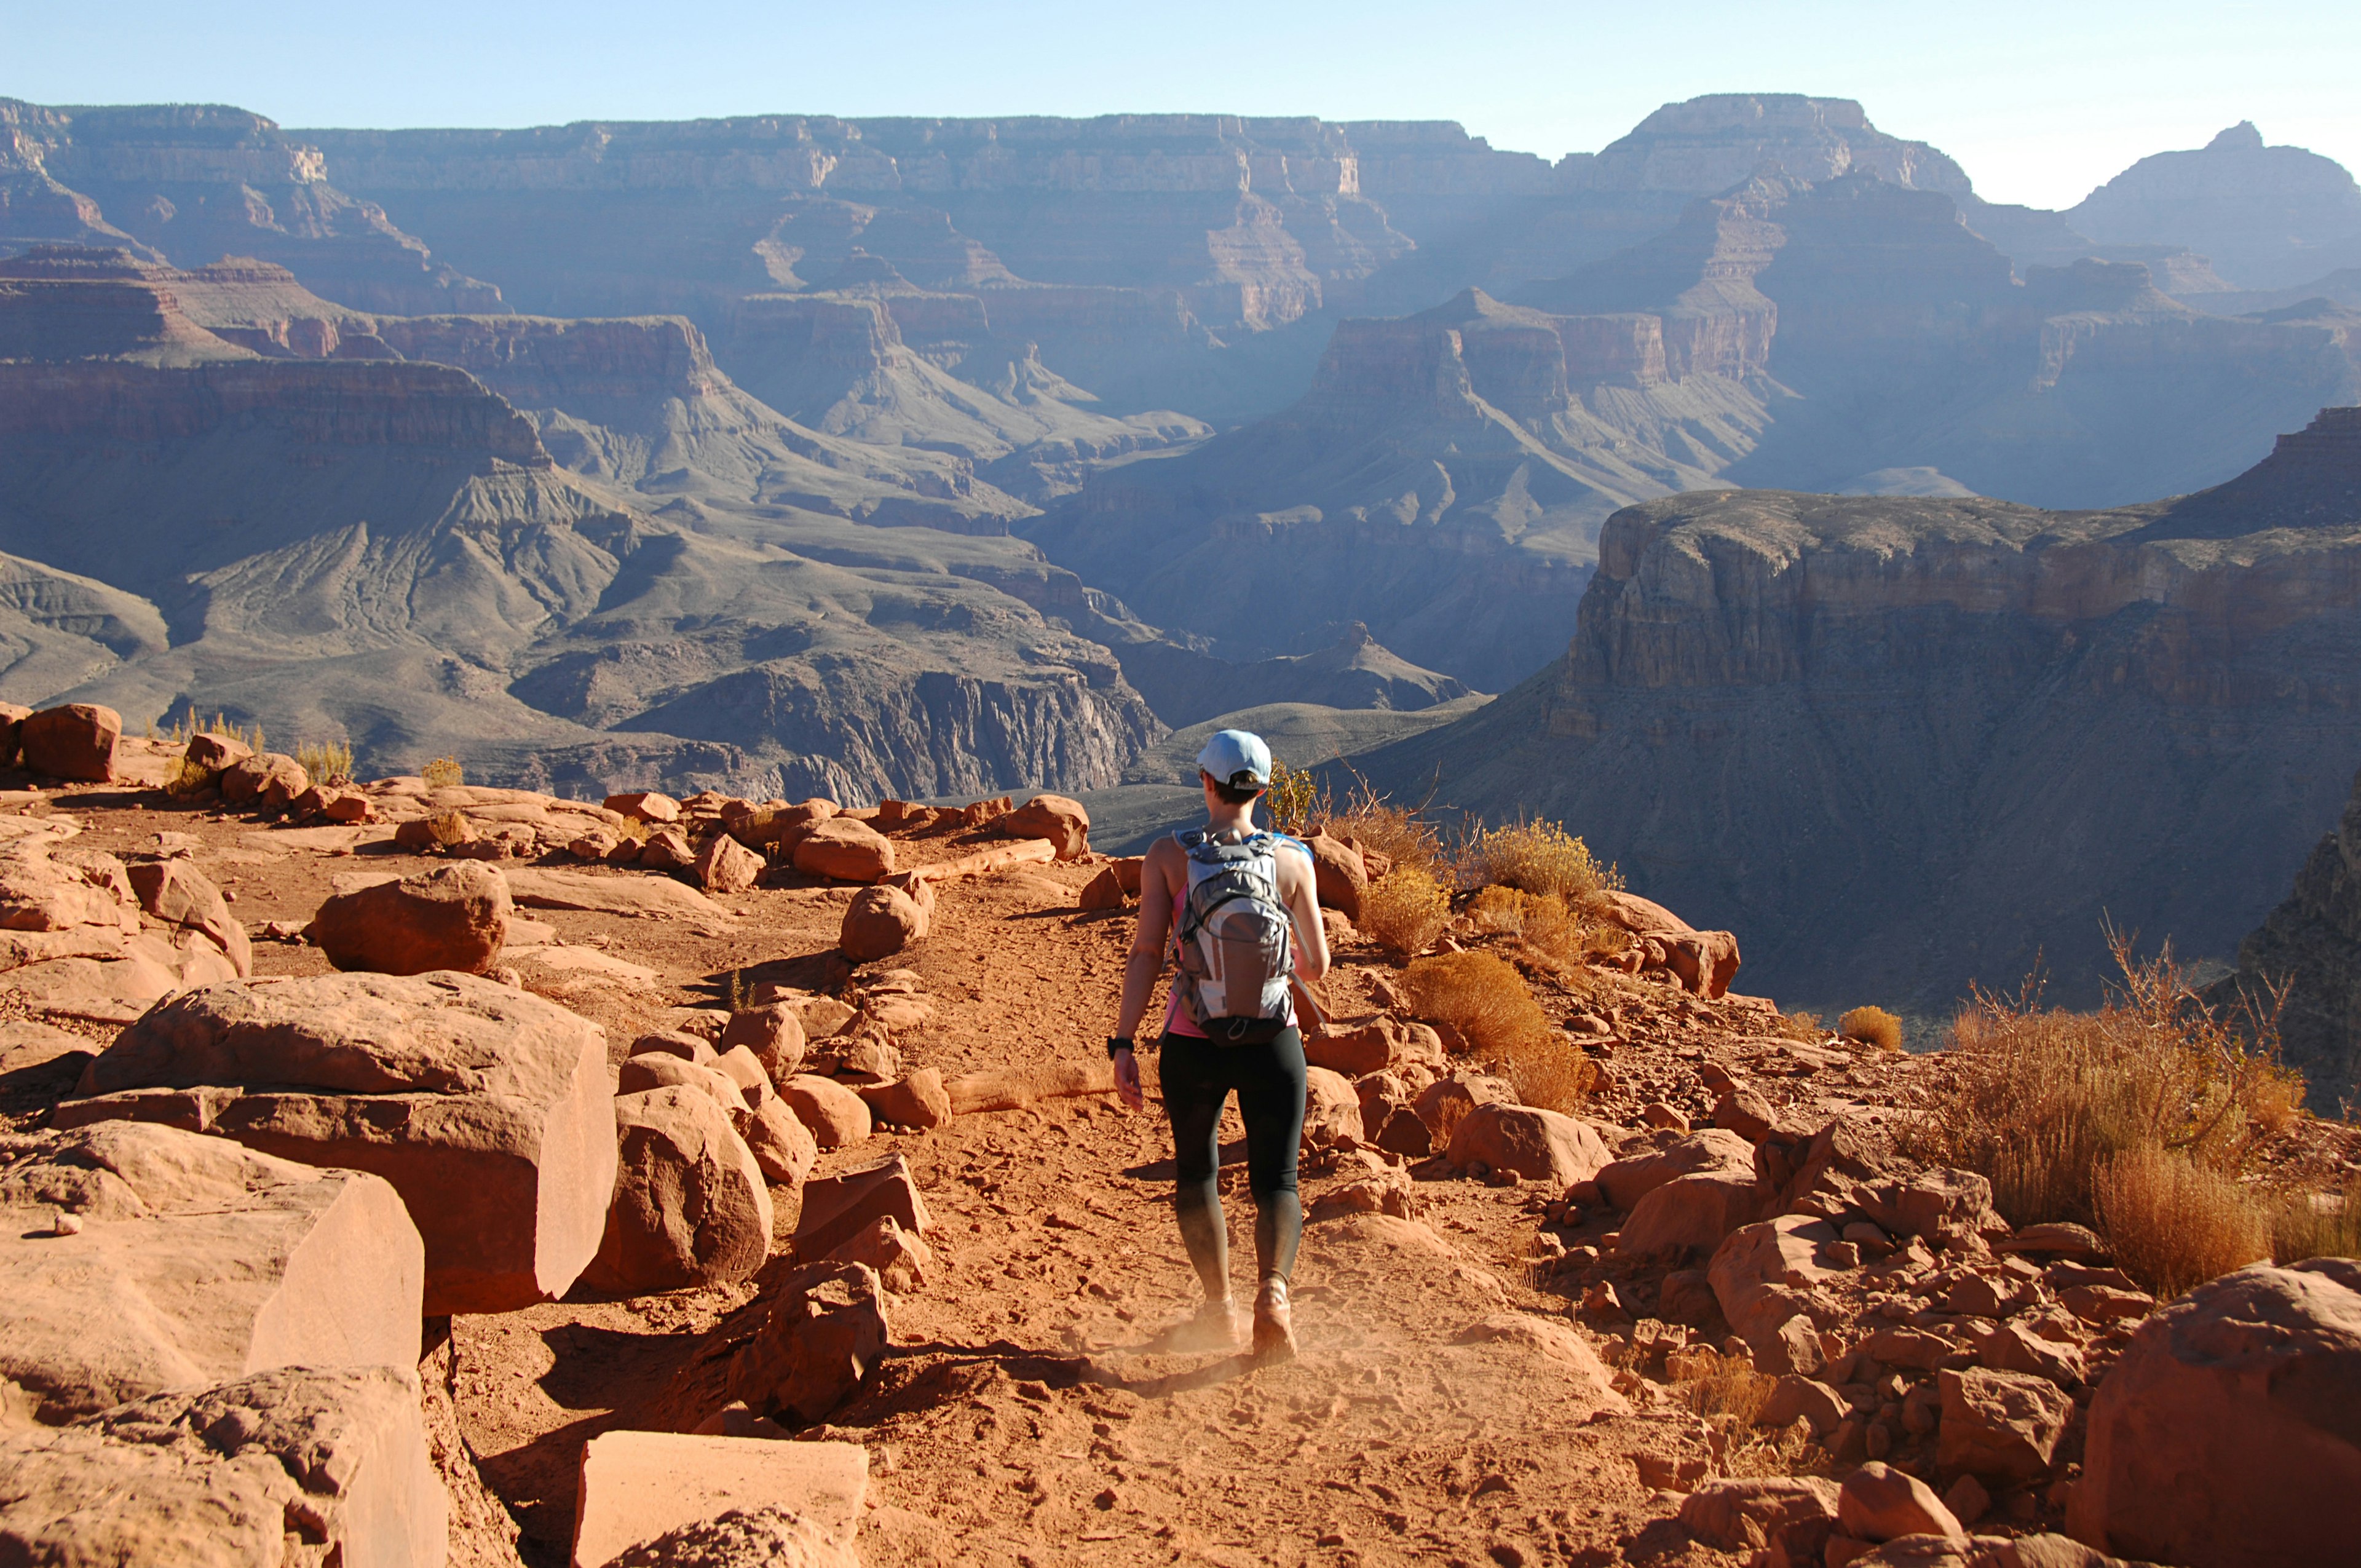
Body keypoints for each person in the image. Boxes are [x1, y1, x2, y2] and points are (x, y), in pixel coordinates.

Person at [1109, 729, 1330, 1361]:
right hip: (1273, 1042)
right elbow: (1316, 965)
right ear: (1262, 789)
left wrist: (1124, 1043)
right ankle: (1274, 1297)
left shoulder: (1167, 858)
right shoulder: (1294, 861)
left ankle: (1218, 1311)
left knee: (1198, 1171)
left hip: (1191, 1040)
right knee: (1278, 1184)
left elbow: (1148, 953)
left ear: (1205, 783)